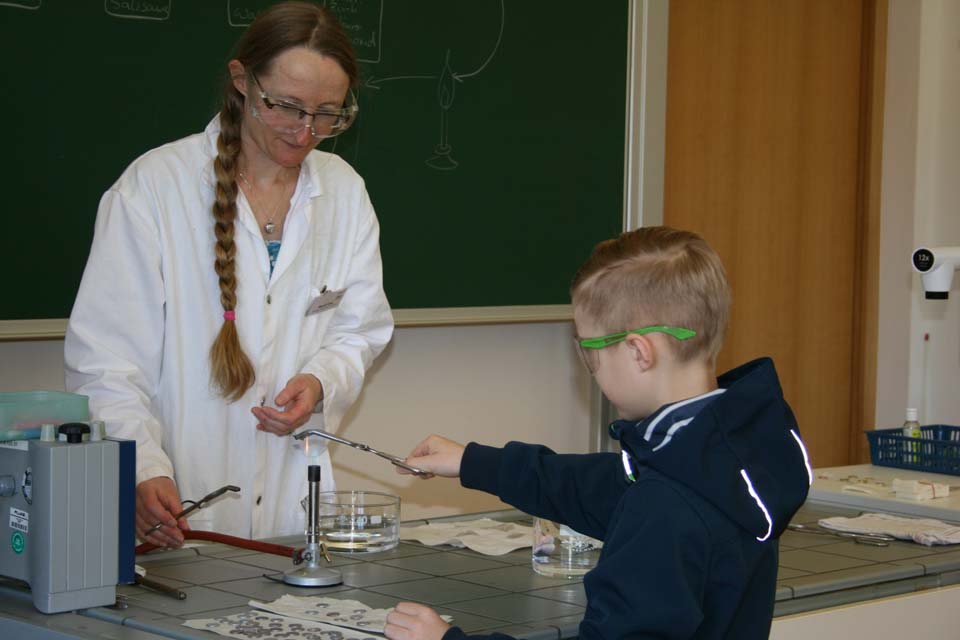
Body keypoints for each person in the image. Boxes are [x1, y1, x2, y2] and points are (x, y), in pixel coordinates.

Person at [64, 1, 393, 547]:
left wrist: (320, 382)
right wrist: (141, 466)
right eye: (286, 107)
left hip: (293, 511)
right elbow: (106, 363)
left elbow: (360, 331)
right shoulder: (154, 189)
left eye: (327, 114)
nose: (305, 132)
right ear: (243, 81)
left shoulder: (344, 192)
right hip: (179, 505)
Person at [385, 227, 812, 640]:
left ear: (638, 352)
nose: (590, 371)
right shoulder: (724, 451)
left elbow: (642, 503)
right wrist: (472, 462)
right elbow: (596, 487)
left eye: (589, 352)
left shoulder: (667, 502)